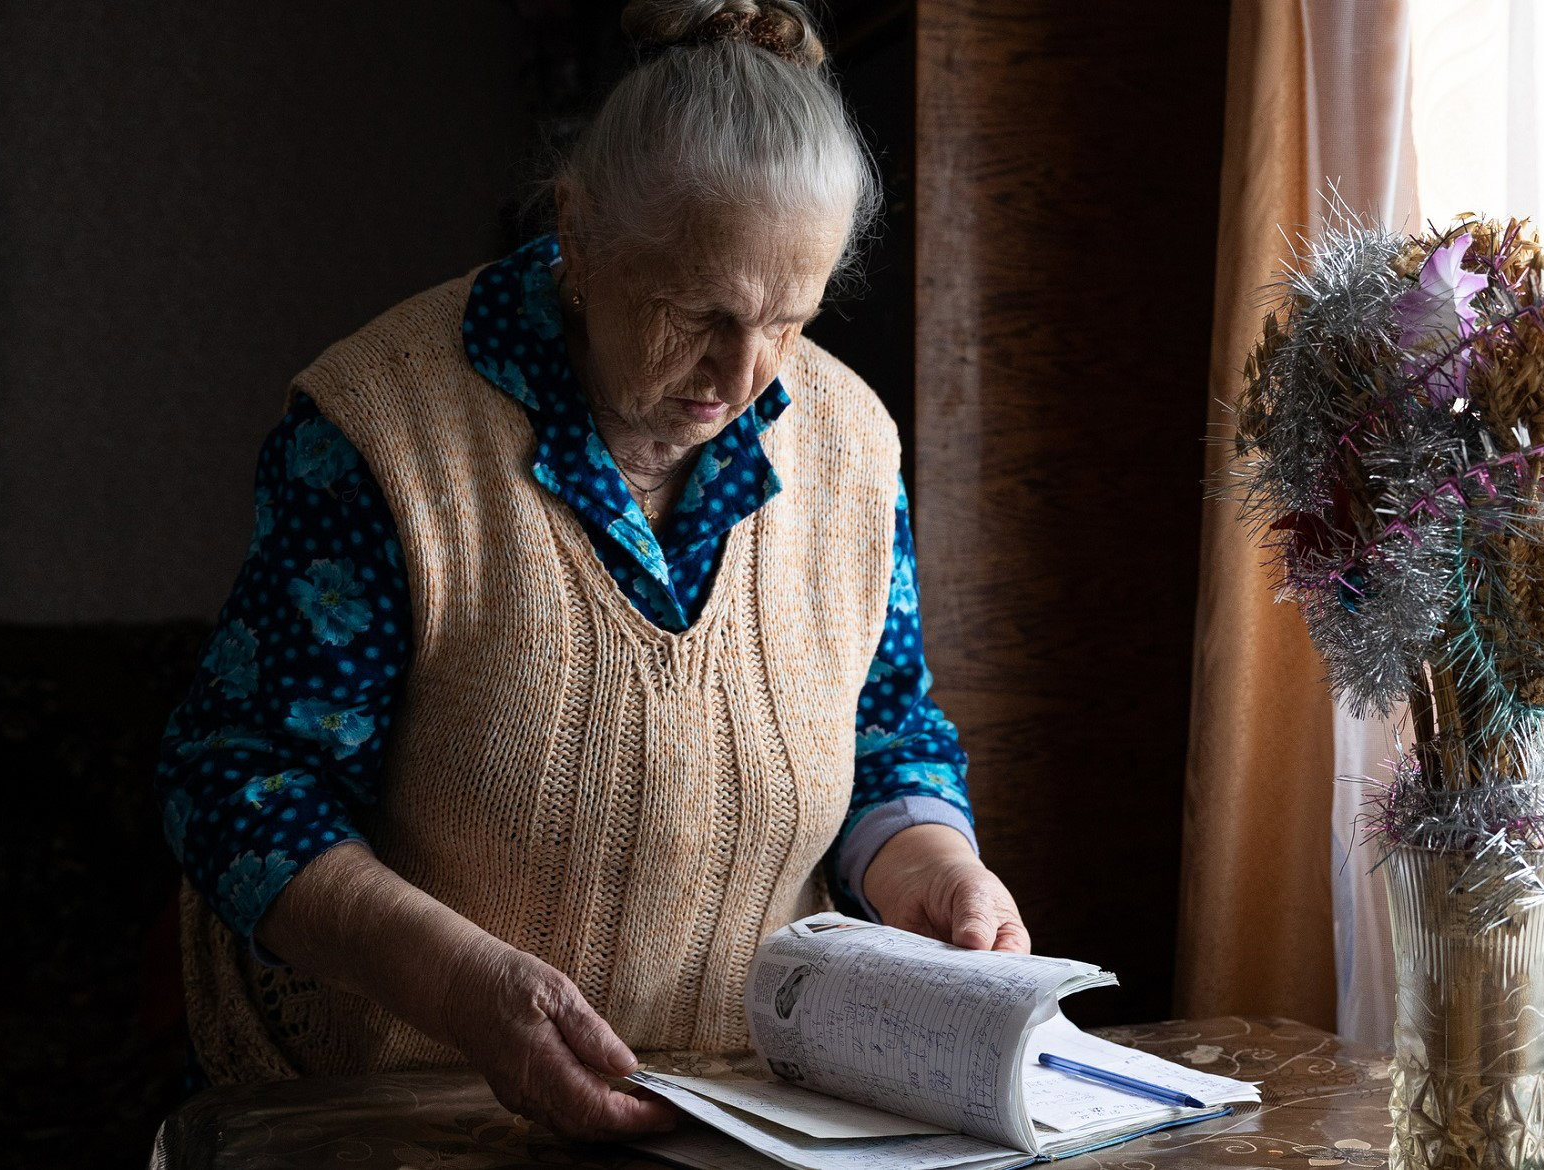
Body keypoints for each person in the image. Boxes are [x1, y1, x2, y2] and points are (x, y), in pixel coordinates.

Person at [154, 0, 1029, 1141]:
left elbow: (887, 730)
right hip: (402, 1103)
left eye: (791, 318)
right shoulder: (383, 436)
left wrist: (935, 866)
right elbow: (242, 787)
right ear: (578, 235)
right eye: (698, 313)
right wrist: (464, 990)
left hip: (743, 1113)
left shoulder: (848, 442)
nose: (748, 376)